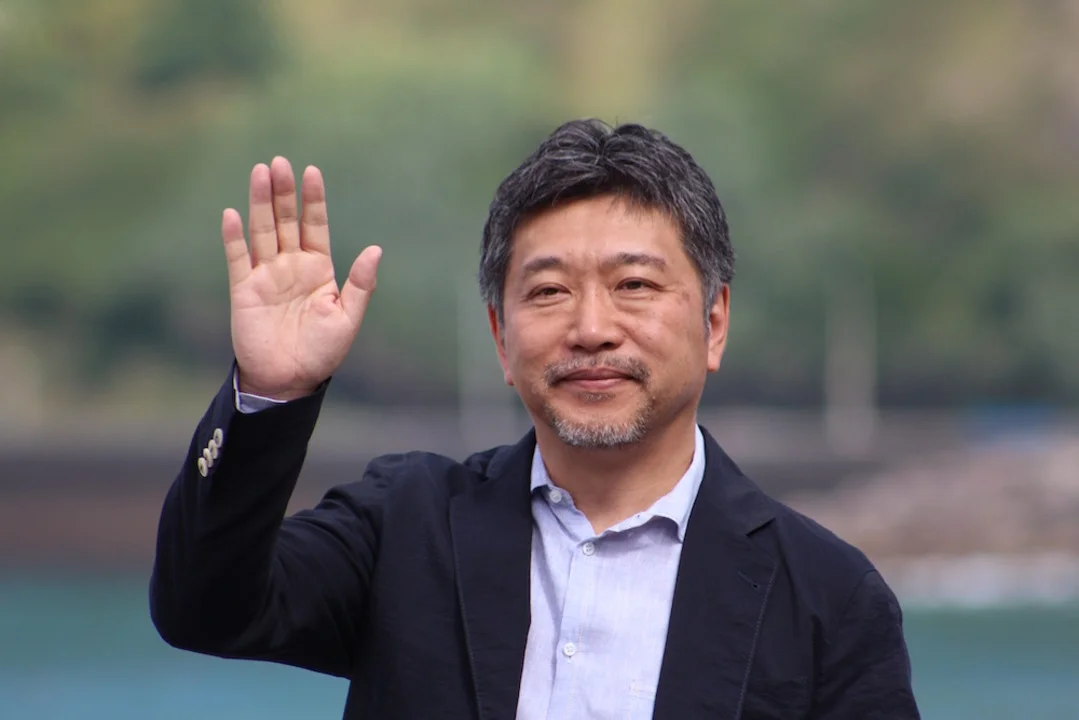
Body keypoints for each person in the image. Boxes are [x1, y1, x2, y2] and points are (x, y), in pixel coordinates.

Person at [149, 119, 920, 719]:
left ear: (713, 322)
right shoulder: (406, 529)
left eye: (634, 285)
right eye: (548, 292)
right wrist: (272, 392)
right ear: (499, 336)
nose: (591, 328)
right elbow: (203, 609)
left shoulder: (825, 597)